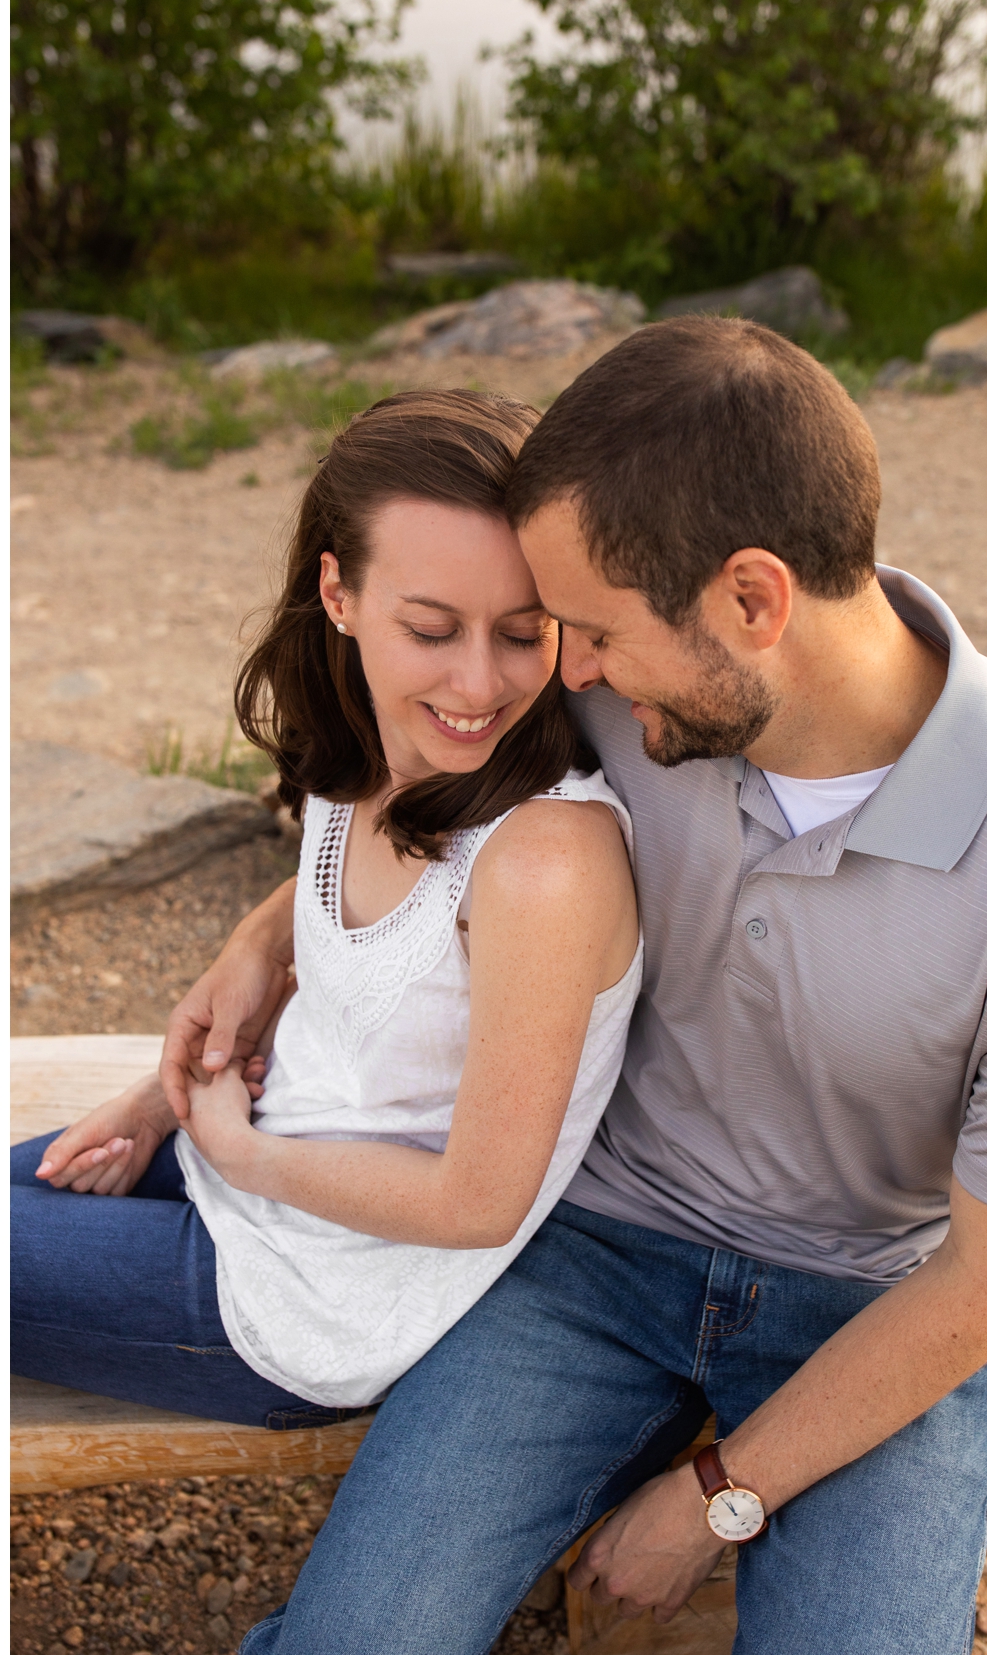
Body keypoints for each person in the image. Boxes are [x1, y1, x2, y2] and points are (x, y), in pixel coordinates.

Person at [163, 317, 987, 1655]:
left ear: (753, 601)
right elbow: (408, 822)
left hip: (876, 1302)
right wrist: (262, 942)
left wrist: (717, 1494)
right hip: (582, 1258)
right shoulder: (633, 697)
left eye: (587, 631)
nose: (557, 671)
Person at [11, 390, 641, 1427]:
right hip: (242, 1161)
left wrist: (234, 1149)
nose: (480, 682)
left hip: (306, 1295)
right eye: (431, 628)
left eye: (526, 633)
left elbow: (480, 1203)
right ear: (338, 595)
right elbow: (381, 919)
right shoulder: (376, 752)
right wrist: (174, 1084)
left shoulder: (545, 860)